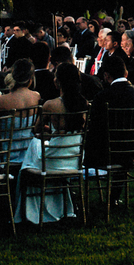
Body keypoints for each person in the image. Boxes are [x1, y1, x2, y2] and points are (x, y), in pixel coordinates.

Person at [14, 62, 88, 223]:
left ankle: (29, 210)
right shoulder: (83, 104)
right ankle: (58, 206)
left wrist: (50, 130)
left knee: (34, 145)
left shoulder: (51, 105)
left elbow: (37, 129)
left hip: (52, 162)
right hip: (74, 160)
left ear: (58, 81)